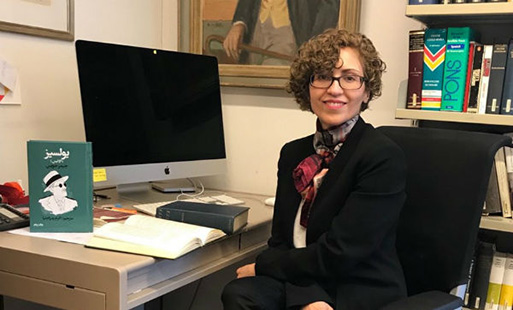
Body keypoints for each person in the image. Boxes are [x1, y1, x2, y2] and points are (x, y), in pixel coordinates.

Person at [221, 28, 407, 310]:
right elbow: (282, 240)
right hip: (306, 275)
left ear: (367, 91)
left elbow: (343, 253)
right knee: (240, 293)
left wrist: (265, 266)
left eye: (349, 78)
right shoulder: (293, 153)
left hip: (358, 283)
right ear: (307, 88)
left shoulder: (382, 156)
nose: (334, 89)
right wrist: (309, 296)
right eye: (322, 77)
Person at [222, 0, 340, 65]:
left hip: (290, 33)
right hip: (256, 29)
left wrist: (315, 43)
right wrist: (239, 24)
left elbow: (329, 4)